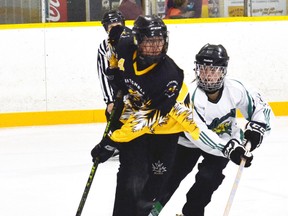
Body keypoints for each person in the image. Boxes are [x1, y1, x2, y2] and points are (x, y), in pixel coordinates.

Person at [91, 16, 253, 216]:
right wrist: (114, 69)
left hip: (168, 126)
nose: (155, 47)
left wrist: (111, 140)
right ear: (137, 40)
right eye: (149, 42)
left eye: (159, 41)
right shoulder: (125, 44)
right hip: (138, 120)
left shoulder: (168, 77)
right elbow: (115, 38)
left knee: (150, 193)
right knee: (130, 178)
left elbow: (149, 120)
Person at [157, 43, 273, 216]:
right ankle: (149, 211)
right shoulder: (191, 95)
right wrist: (229, 148)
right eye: (203, 69)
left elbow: (261, 109)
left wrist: (257, 129)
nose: (207, 75)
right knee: (169, 179)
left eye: (213, 70)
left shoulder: (237, 89)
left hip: (223, 142)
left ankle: (192, 213)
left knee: (208, 179)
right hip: (189, 141)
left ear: (223, 71)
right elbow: (198, 133)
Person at [97, 10, 131, 121]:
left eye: (118, 25)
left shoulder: (133, 41)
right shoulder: (104, 47)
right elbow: (103, 76)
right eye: (112, 26)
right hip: (119, 94)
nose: (116, 29)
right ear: (106, 29)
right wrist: (110, 101)